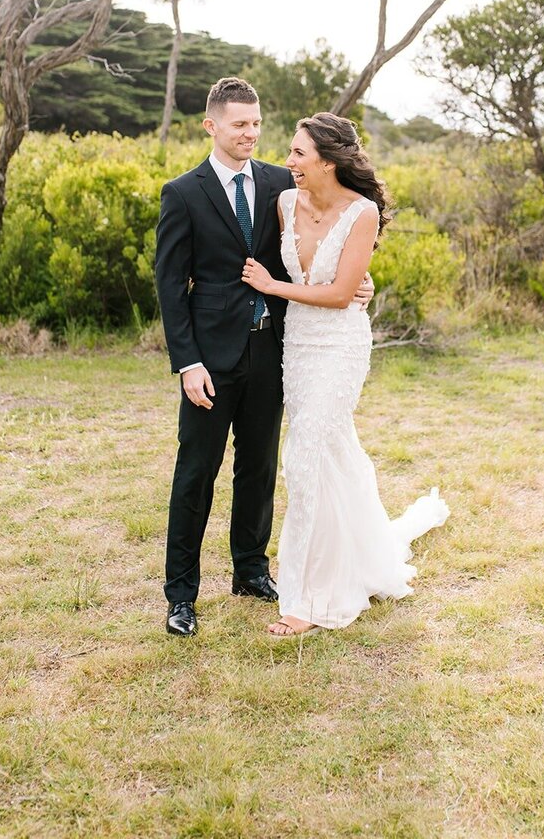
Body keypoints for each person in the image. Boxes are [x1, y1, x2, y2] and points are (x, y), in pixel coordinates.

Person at [155, 80, 371, 638]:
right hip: (211, 360)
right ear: (212, 127)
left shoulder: (282, 180)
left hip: (274, 353)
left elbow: (327, 235)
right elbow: (169, 286)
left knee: (259, 469)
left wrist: (363, 283)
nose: (250, 134)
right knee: (196, 474)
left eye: (256, 124)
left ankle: (250, 571)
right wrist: (188, 362)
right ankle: (181, 594)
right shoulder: (183, 193)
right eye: (239, 125)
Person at [241, 112, 449, 637]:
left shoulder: (362, 213)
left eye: (298, 154)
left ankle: (308, 601)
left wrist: (273, 286)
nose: (288, 162)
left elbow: (338, 295)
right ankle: (361, 556)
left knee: (304, 457)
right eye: (289, 152)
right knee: (332, 456)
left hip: (340, 347)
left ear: (328, 162)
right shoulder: (285, 202)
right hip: (298, 348)